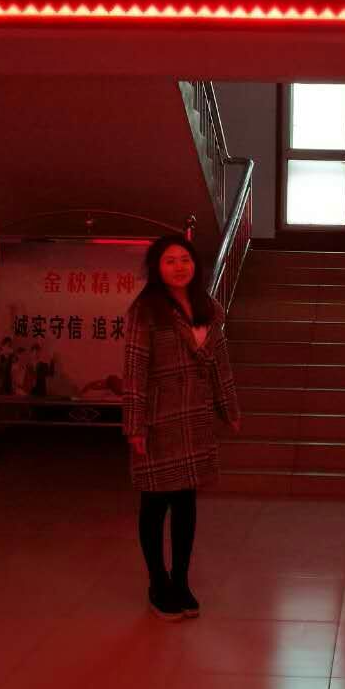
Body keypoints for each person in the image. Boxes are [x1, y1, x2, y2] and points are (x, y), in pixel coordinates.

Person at [122, 234, 240, 621]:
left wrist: (229, 408)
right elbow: (135, 370)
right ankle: (158, 583)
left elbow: (220, 363)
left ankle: (181, 581)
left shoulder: (208, 307)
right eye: (170, 261)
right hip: (158, 419)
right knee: (155, 502)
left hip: (195, 416)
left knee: (186, 503)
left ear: (195, 265)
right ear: (157, 267)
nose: (178, 267)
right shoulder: (145, 311)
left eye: (184, 260)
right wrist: (135, 424)